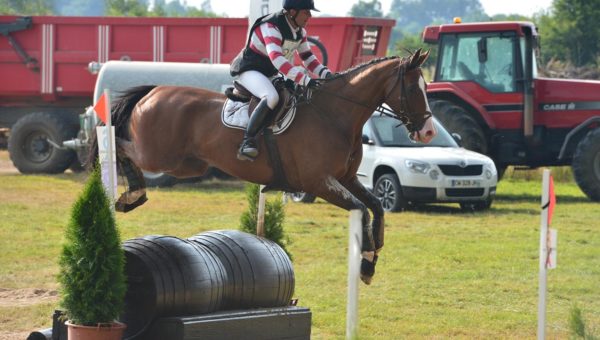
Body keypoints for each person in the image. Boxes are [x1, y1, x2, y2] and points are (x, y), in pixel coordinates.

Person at [230, 0, 331, 161]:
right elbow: (277, 59)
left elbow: (308, 58)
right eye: (306, 12)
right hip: (250, 70)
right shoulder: (271, 26)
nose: (310, 16)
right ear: (292, 12)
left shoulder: (299, 31)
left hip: (269, 73)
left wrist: (327, 75)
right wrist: (305, 79)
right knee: (271, 97)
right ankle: (247, 141)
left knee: (297, 95)